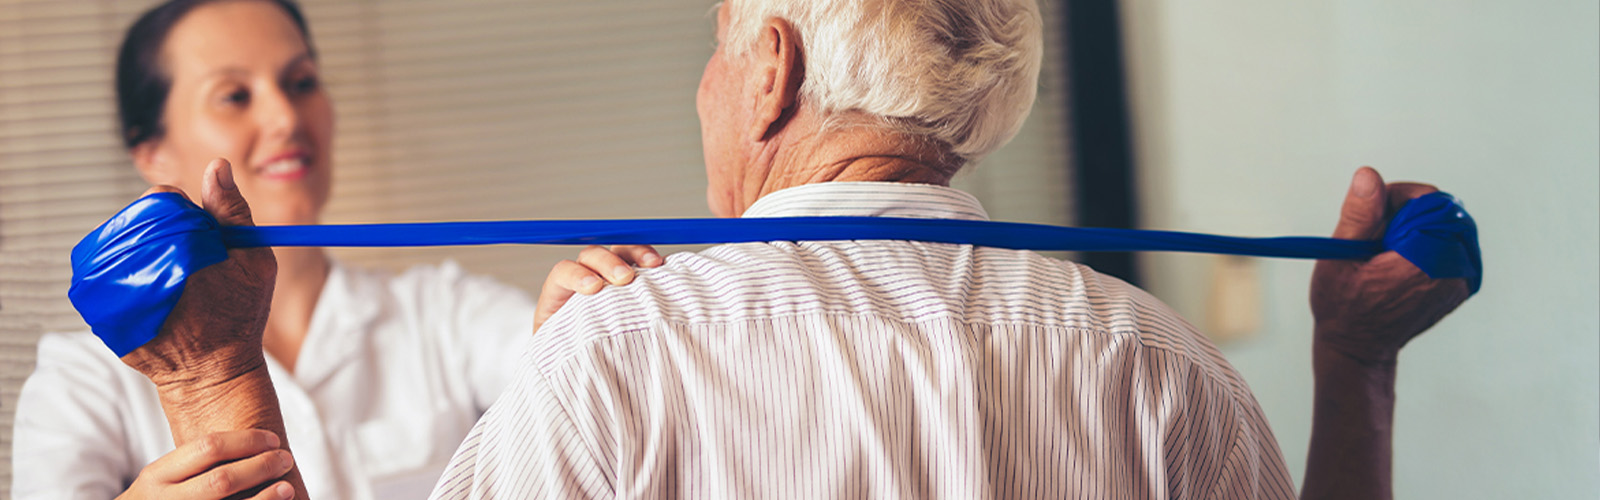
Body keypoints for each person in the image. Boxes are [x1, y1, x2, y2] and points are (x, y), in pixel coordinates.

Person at [83, 0, 1473, 499]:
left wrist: (211, 388)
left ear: (769, 72)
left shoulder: (619, 366)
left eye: (712, 52)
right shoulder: (1161, 370)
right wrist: (1352, 362)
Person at [10, 1, 658, 499]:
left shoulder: (444, 312)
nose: (287, 118)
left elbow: (597, 416)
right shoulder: (82, 381)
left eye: (301, 82)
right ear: (149, 151)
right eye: (235, 95)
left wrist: (570, 344)